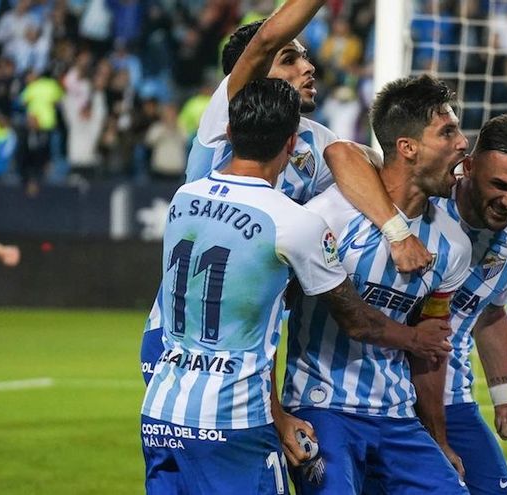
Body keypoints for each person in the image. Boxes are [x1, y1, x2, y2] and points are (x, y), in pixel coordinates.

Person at [141, 77, 452, 494]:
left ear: (231, 133)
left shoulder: (183, 199)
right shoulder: (295, 223)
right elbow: (355, 320)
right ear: (291, 144)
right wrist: (415, 338)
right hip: (234, 420)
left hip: (161, 411)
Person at [141, 0, 433, 385]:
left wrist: (464, 185)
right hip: (182, 337)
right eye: (289, 59)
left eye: (305, 57)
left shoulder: (311, 138)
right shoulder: (225, 117)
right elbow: (263, 42)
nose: (308, 67)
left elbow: (370, 165)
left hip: (248, 342)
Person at [282, 74, 472, 494]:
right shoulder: (327, 216)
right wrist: (277, 415)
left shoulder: (454, 246)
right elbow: (269, 315)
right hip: (323, 407)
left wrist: (438, 439)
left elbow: (431, 349)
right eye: (448, 132)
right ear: (407, 147)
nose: (462, 143)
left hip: (398, 416)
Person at [437, 115, 507, 494]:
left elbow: (491, 312)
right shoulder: (423, 207)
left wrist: (506, 400)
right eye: (500, 185)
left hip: (453, 399)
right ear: (468, 167)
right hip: (384, 400)